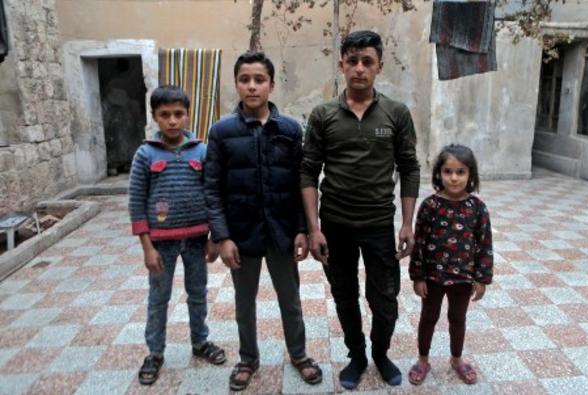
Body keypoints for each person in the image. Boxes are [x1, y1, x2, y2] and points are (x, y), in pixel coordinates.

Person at [301, 30, 421, 389]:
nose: (358, 68)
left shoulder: (396, 113)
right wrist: (313, 228)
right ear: (342, 65)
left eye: (366, 61)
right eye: (351, 61)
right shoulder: (323, 115)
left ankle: (381, 354)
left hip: (379, 224)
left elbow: (410, 167)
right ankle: (356, 356)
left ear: (378, 67)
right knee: (344, 294)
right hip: (334, 224)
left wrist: (407, 223)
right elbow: (308, 170)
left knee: (384, 298)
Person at [204, 51, 322, 391]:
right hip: (241, 234)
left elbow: (302, 183)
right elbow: (211, 187)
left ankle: (298, 354)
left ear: (271, 84)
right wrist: (222, 236)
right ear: (237, 84)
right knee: (244, 301)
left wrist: (301, 228)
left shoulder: (289, 129)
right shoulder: (222, 132)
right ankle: (248, 358)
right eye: (245, 80)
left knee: (291, 299)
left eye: (259, 80)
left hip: (282, 231)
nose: (252, 86)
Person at [128, 85, 226, 386]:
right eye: (165, 115)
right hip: (161, 243)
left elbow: (212, 194)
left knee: (198, 293)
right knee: (159, 298)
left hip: (197, 239)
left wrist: (213, 236)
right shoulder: (145, 154)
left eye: (178, 114)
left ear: (188, 115)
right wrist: (147, 248)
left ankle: (200, 342)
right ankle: (155, 353)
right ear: (155, 117)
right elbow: (136, 202)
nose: (172, 121)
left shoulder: (201, 150)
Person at [407, 144, 493, 386]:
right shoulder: (430, 206)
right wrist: (418, 276)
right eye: (448, 171)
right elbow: (420, 242)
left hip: (463, 279)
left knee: (458, 318)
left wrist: (482, 278)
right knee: (428, 318)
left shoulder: (477, 208)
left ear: (471, 175)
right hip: (433, 278)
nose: (454, 178)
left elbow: (485, 244)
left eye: (461, 172)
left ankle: (456, 359)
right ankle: (423, 360)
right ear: (438, 174)